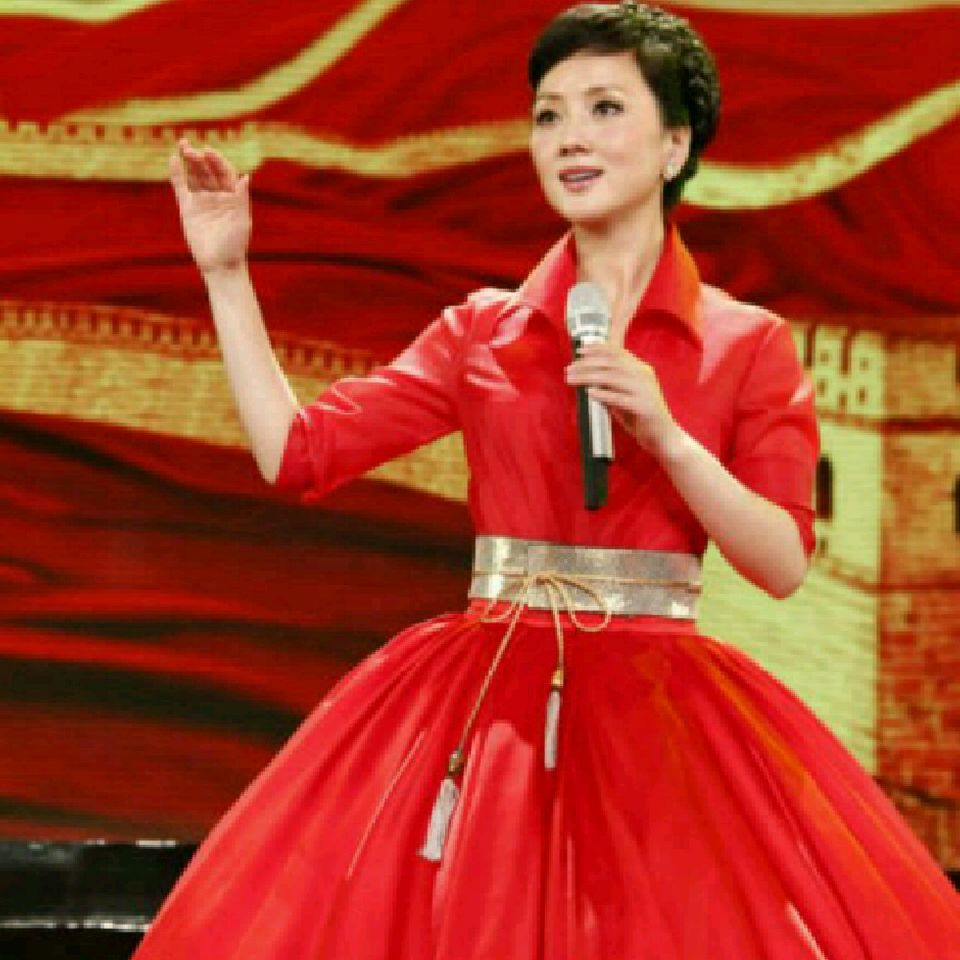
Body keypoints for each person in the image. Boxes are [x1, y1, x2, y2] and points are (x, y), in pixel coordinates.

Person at [132, 3, 960, 957]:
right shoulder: (480, 333)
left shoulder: (747, 344)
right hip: (491, 700)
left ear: (675, 145)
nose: (570, 137)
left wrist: (668, 435)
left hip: (660, 714)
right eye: (548, 115)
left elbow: (780, 562)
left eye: (605, 108)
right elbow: (297, 452)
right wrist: (227, 275)